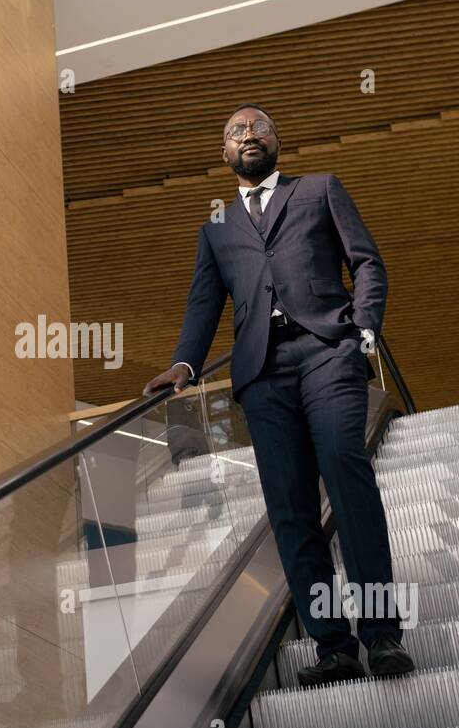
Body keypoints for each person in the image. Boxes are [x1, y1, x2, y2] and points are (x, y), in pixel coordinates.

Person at [144, 103, 414, 686]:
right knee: (290, 510)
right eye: (235, 132)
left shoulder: (319, 190)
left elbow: (367, 262)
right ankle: (333, 647)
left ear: (276, 139)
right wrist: (184, 364)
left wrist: (361, 331)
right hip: (262, 374)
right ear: (224, 153)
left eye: (258, 127)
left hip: (327, 351)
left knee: (346, 470)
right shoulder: (215, 226)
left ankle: (382, 633)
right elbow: (203, 304)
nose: (247, 135)